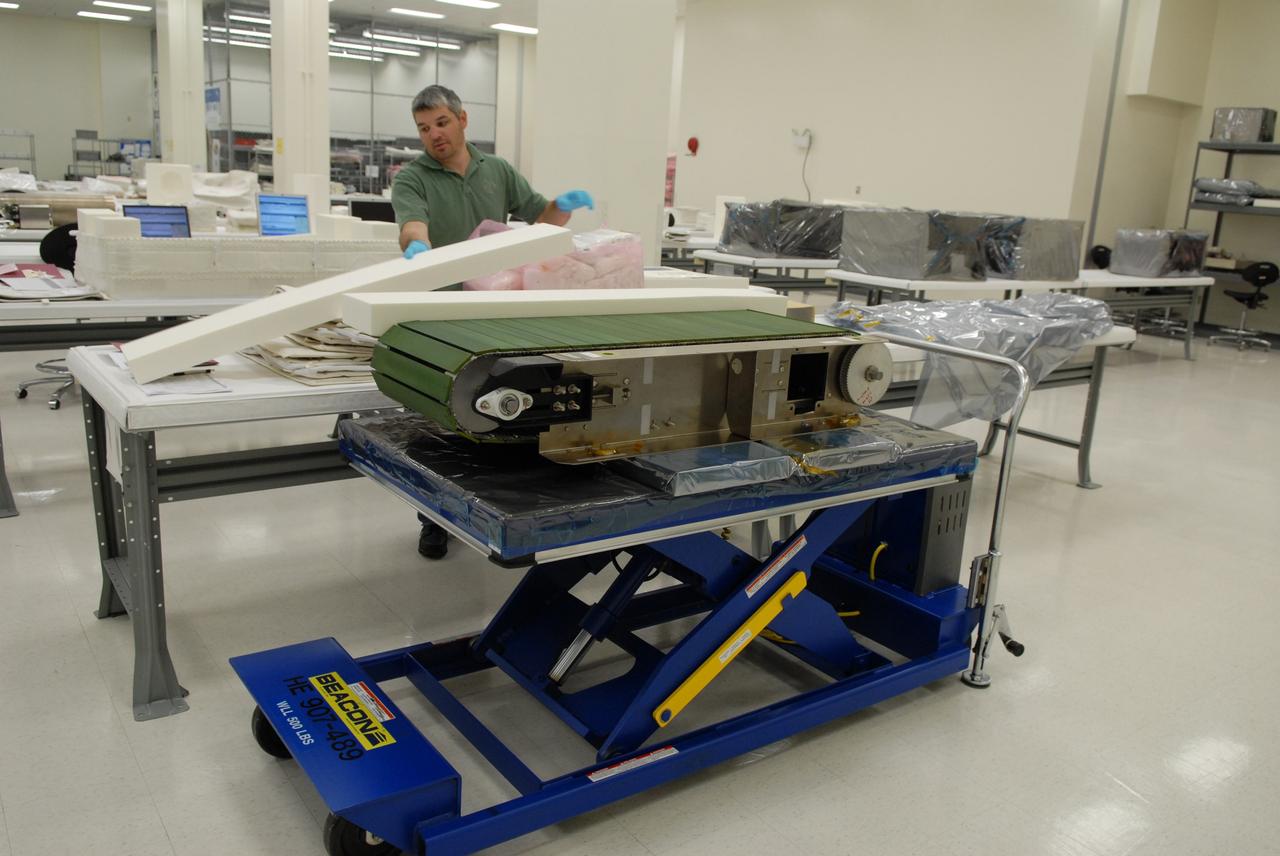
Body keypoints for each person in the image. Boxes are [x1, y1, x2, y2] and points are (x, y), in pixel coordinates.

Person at [390, 84, 594, 559]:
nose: (434, 135)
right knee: (437, 415)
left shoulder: (496, 170)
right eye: (424, 129)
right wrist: (415, 245)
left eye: (441, 123)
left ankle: (500, 516)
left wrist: (561, 204)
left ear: (462, 120)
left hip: (491, 305)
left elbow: (541, 219)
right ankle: (433, 518)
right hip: (439, 310)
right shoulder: (412, 177)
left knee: (496, 407)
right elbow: (411, 224)